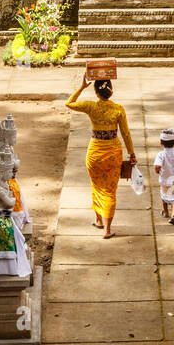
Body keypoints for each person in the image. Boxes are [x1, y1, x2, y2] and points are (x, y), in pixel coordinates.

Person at [66, 73, 136, 238]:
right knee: (109, 191)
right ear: (111, 92)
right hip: (113, 154)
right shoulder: (118, 109)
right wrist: (132, 153)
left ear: (97, 93)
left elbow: (69, 103)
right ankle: (107, 229)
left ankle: (99, 220)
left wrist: (82, 87)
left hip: (95, 154)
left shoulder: (91, 107)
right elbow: (125, 133)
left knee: (97, 186)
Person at [154, 128, 174, 225]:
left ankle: (166, 211)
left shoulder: (161, 155)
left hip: (164, 180)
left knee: (164, 196)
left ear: (161, 142)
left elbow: (158, 166)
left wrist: (157, 170)